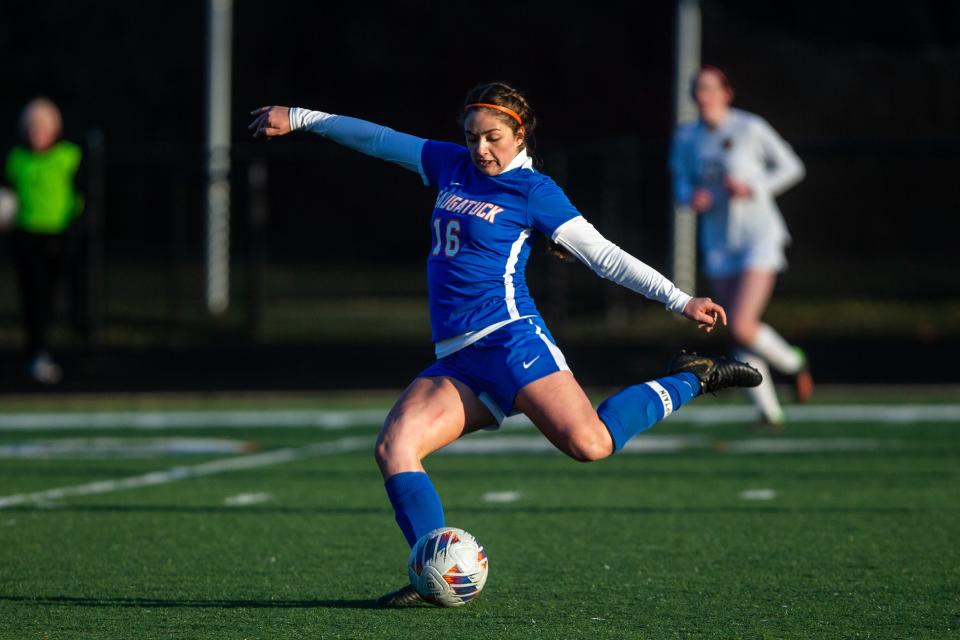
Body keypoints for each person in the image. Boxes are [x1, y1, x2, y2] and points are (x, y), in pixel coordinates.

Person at [249, 81, 761, 606]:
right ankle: (433, 571)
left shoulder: (534, 192)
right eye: (472, 138)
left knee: (591, 445)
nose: (481, 150)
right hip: (458, 357)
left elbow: (603, 256)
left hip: (511, 340)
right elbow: (380, 139)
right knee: (395, 447)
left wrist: (679, 300)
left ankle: (692, 375)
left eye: (492, 137)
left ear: (520, 134)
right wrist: (301, 116)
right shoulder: (452, 165)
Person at [669, 66, 812, 428]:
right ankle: (769, 411)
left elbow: (792, 167)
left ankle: (794, 364)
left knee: (744, 325)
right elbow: (680, 186)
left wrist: (753, 187)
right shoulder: (687, 138)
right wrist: (692, 197)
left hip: (759, 237)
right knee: (734, 325)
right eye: (697, 89)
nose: (703, 96)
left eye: (709, 88)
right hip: (719, 243)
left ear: (726, 93)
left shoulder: (750, 127)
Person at [4, 97, 83, 384]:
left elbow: (81, 195)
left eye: (43, 127)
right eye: (32, 127)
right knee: (33, 298)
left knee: (55, 298)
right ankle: (36, 353)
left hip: (60, 238)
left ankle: (65, 348)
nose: (37, 133)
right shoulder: (16, 159)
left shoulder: (68, 156)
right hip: (26, 238)